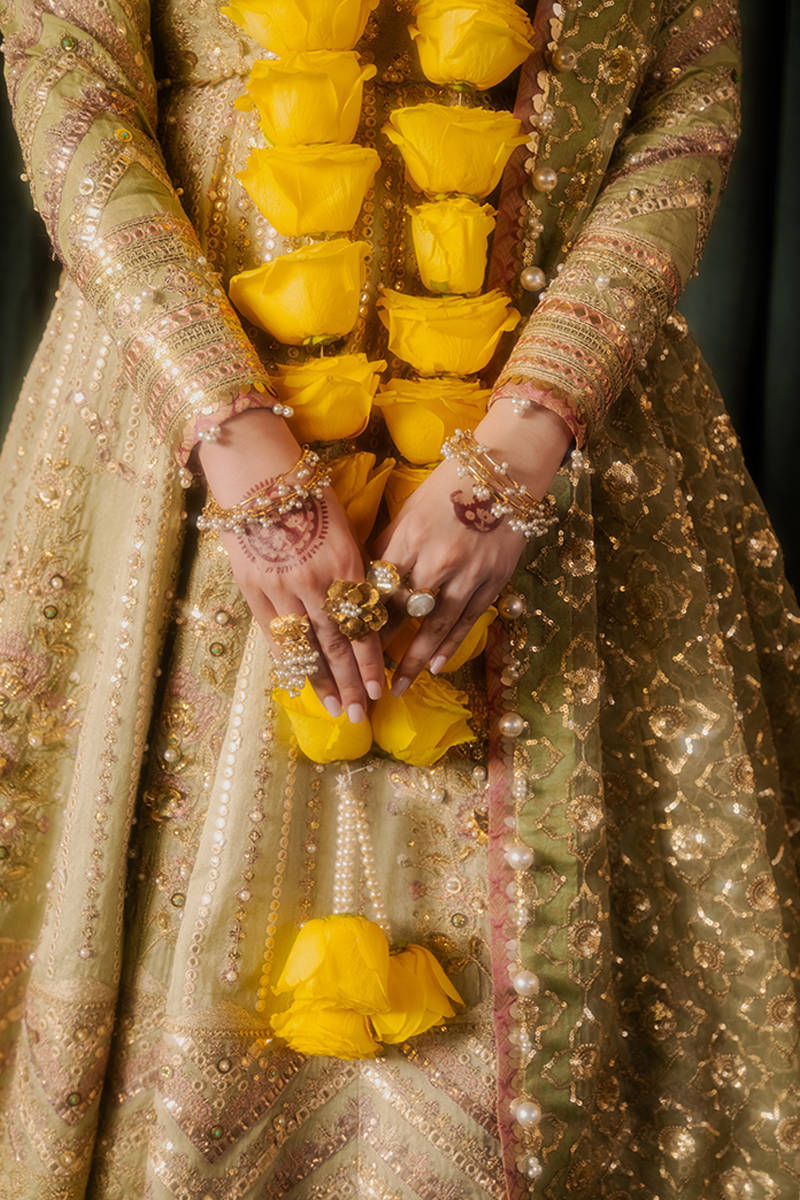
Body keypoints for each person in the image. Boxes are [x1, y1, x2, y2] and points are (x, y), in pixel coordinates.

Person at [0, 0, 797, 1195]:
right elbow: (70, 81)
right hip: (190, 434)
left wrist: (530, 434)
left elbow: (681, 104)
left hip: (552, 442)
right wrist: (231, 432)